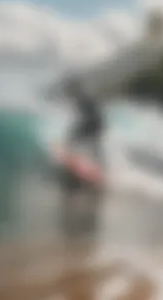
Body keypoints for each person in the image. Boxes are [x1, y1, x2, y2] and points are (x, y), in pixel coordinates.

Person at [59, 77, 106, 239]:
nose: (69, 94)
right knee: (89, 146)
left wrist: (74, 133)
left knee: (76, 138)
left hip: (95, 125)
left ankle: (91, 167)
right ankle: (96, 168)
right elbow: (87, 118)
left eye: (70, 90)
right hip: (96, 125)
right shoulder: (82, 98)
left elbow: (89, 118)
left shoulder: (82, 98)